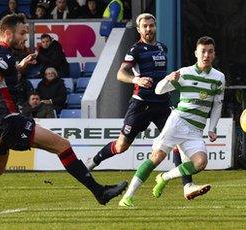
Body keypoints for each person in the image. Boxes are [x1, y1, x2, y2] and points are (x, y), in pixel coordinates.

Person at [0, 14, 127, 209]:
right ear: (8, 33)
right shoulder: (3, 56)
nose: (25, 37)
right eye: (22, 33)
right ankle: (100, 192)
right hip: (5, 121)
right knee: (63, 145)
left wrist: (19, 67)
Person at [84, 14, 208, 206]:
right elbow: (121, 73)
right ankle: (93, 161)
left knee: (178, 144)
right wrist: (137, 79)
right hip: (141, 104)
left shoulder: (161, 47)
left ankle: (188, 185)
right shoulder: (135, 50)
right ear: (139, 29)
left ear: (155, 26)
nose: (148, 29)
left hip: (162, 104)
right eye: (145, 26)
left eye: (151, 25)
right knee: (121, 146)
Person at [144, 36, 223, 205]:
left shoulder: (219, 78)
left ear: (214, 54)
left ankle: (174, 181)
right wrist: (167, 79)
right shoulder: (184, 73)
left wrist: (213, 127)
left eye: (210, 51)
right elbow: (159, 90)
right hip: (177, 117)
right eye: (203, 51)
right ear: (196, 53)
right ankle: (186, 185)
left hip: (195, 125)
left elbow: (217, 104)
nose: (206, 55)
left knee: (191, 157)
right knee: (170, 151)